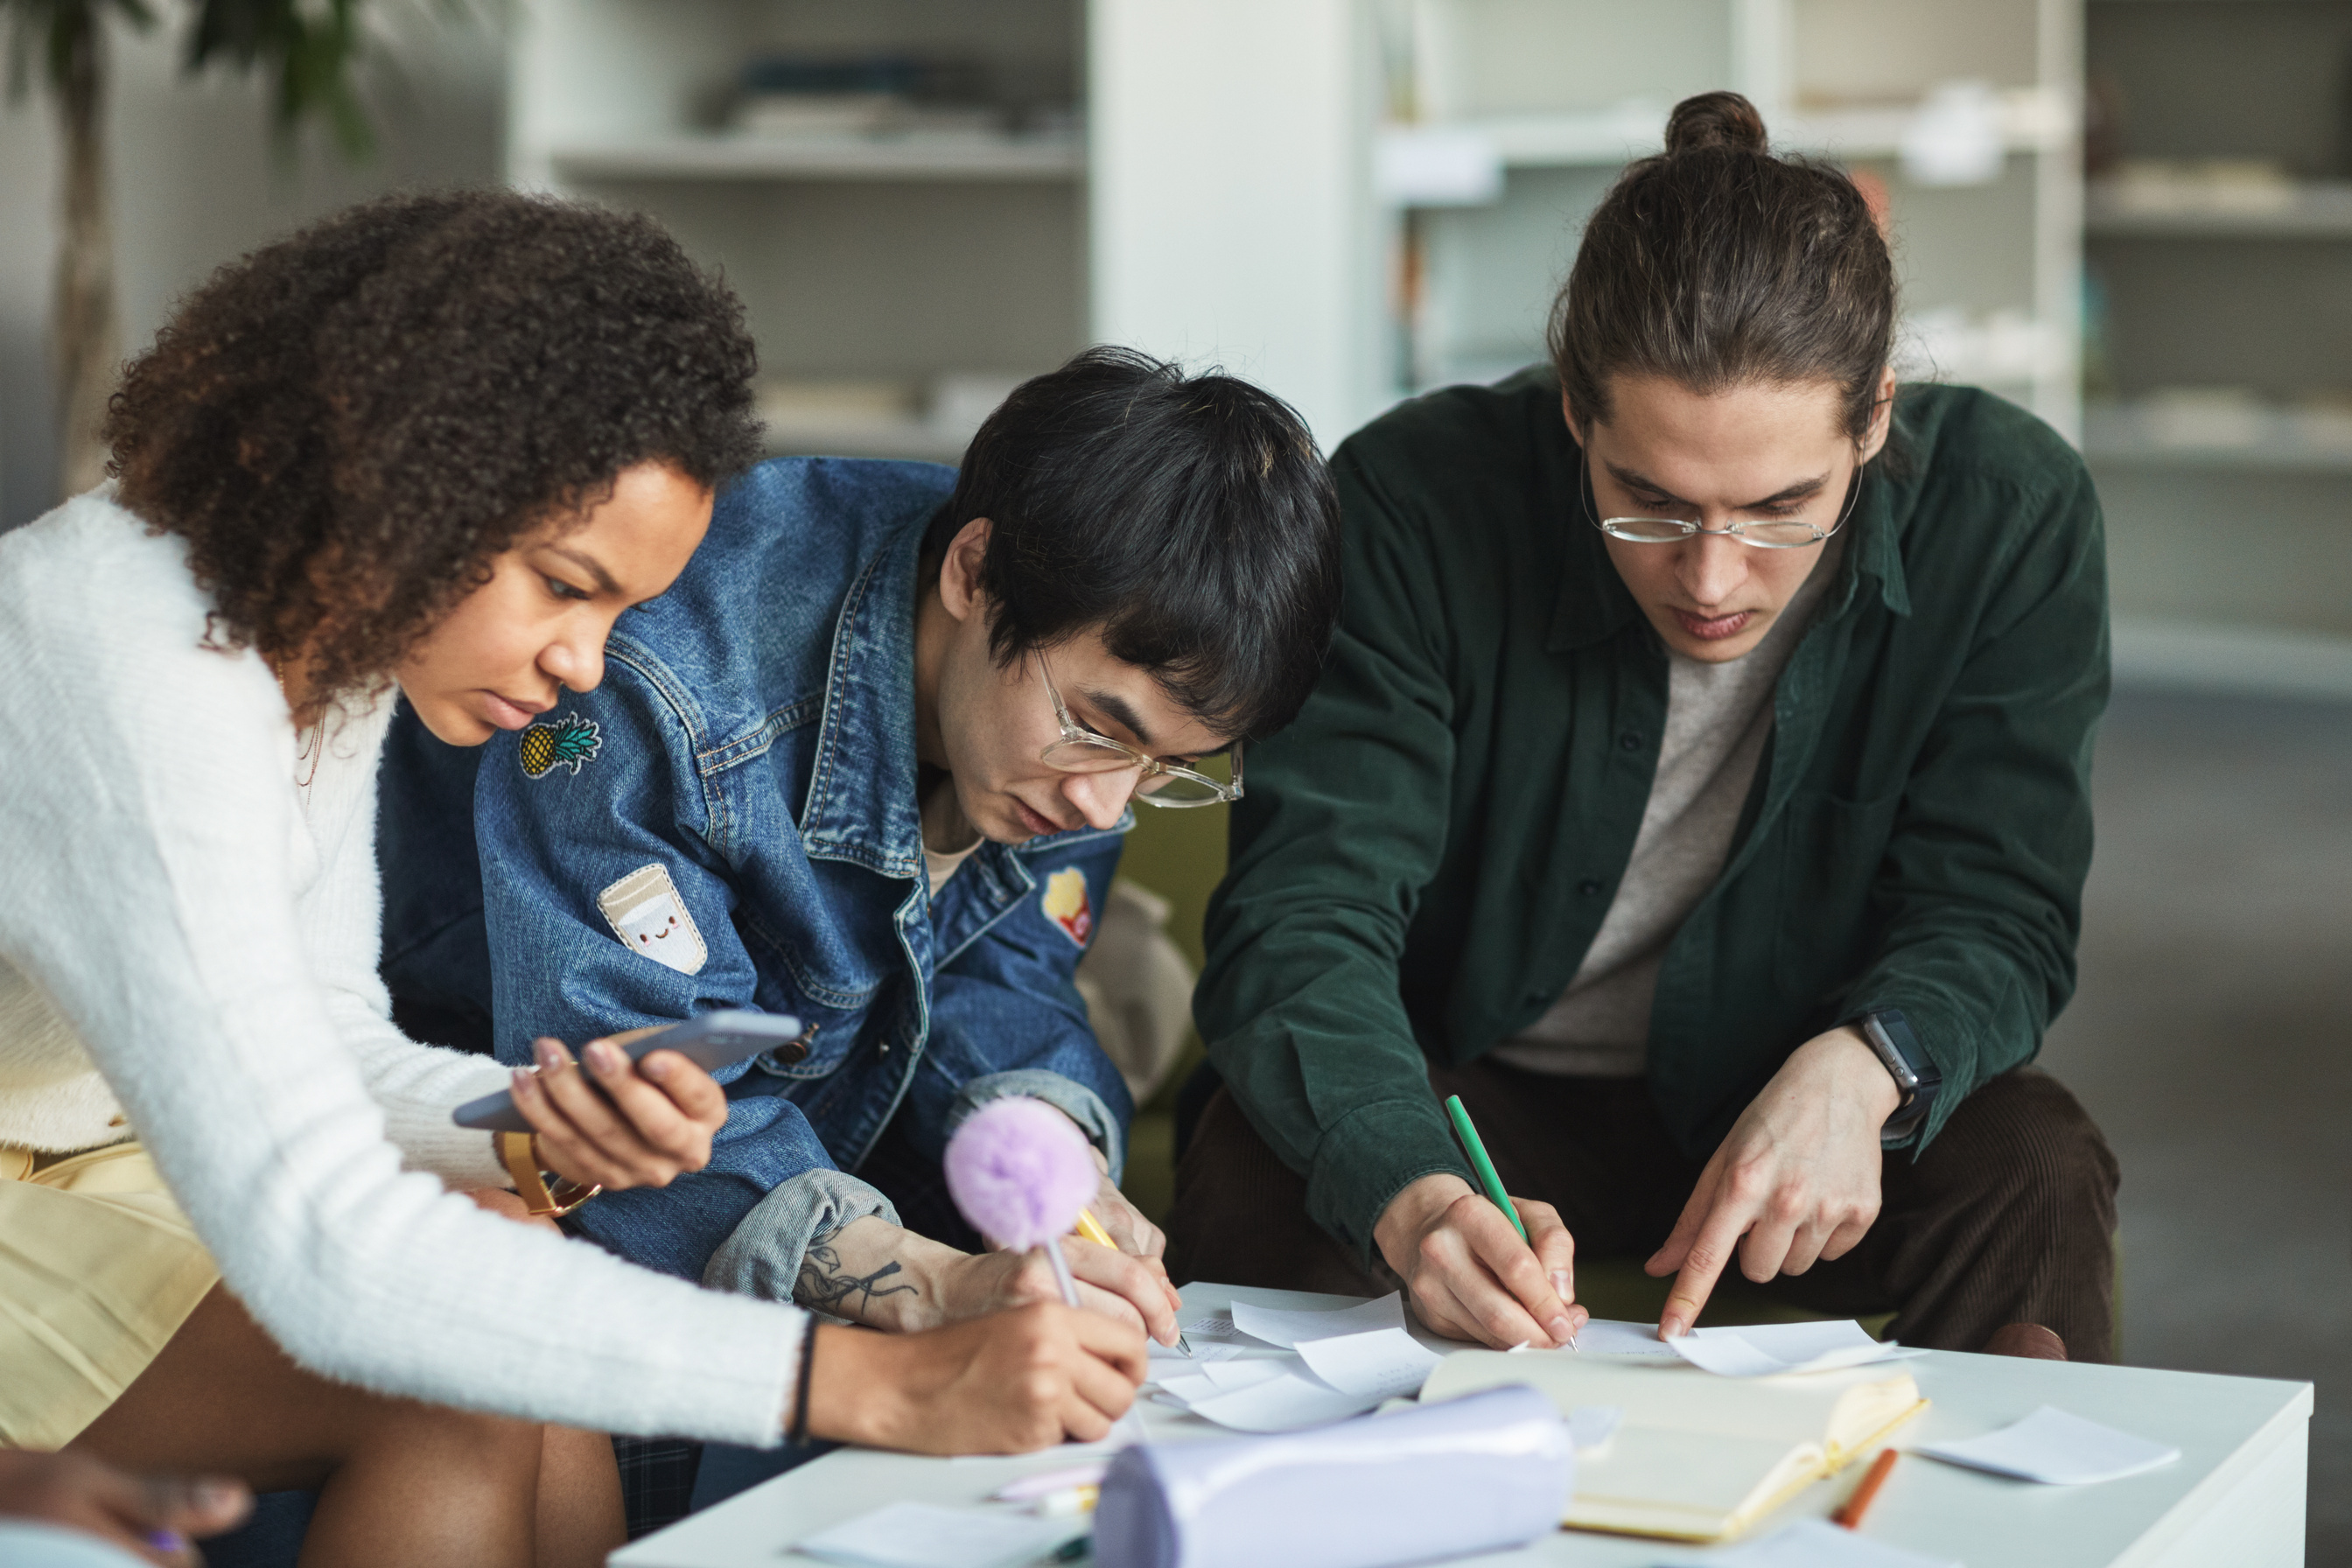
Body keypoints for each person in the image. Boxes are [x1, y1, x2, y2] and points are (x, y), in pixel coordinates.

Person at [0, 190, 1144, 1568]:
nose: (585, 666)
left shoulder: (328, 644)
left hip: (79, 1164)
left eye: (615, 610)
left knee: (515, 1249)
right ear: (407, 478)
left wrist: (537, 1131)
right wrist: (872, 1383)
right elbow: (318, 1242)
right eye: (563, 585)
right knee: (442, 1374)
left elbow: (323, 1034)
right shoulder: (126, 665)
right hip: (50, 1179)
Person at [1170, 91, 2120, 1363]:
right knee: (1264, 1144)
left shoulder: (2012, 515)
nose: (1714, 579)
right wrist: (1414, 1192)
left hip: (1802, 1079)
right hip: (1477, 1094)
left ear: (1876, 417)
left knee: (2037, 1168)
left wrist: (1868, 1068)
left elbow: (1997, 910)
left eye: (1784, 507)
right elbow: (1305, 920)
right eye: (1649, 502)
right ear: (1576, 409)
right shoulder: (1412, 501)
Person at [374, 346, 1344, 1347]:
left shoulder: (1065, 699)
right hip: (498, 1168)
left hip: (811, 1160)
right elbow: (627, 1096)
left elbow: (998, 969)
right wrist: (930, 1283)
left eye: (1166, 768)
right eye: (1100, 729)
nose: (1106, 807)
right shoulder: (655, 682)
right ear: (973, 573)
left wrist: (1053, 1168)